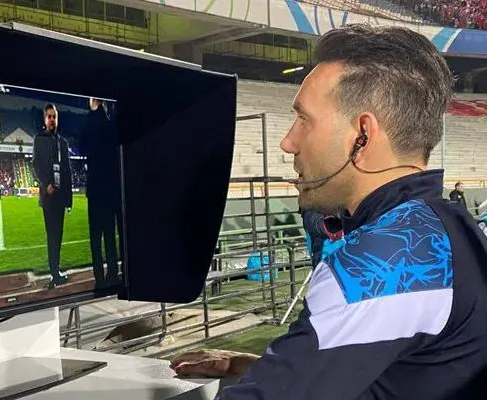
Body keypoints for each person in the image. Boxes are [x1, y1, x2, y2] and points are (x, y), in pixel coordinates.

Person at [170, 24, 487, 399]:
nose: (288, 142)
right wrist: (255, 367)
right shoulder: (444, 227)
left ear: (362, 136)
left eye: (304, 119)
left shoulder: (383, 260)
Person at [79, 98, 122, 288]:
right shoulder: (110, 124)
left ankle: (100, 279)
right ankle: (112, 275)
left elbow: (82, 146)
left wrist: (93, 113)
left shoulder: (92, 124)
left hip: (96, 191)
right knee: (110, 238)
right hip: (110, 190)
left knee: (96, 240)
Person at [32, 103, 72, 289]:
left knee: (59, 235)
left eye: (54, 116)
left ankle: (56, 270)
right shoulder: (39, 139)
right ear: (45, 119)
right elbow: (35, 165)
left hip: (60, 197)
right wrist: (45, 183)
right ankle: (54, 272)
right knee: (52, 236)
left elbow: (67, 171)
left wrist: (69, 199)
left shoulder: (63, 142)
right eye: (49, 116)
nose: (52, 120)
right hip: (48, 196)